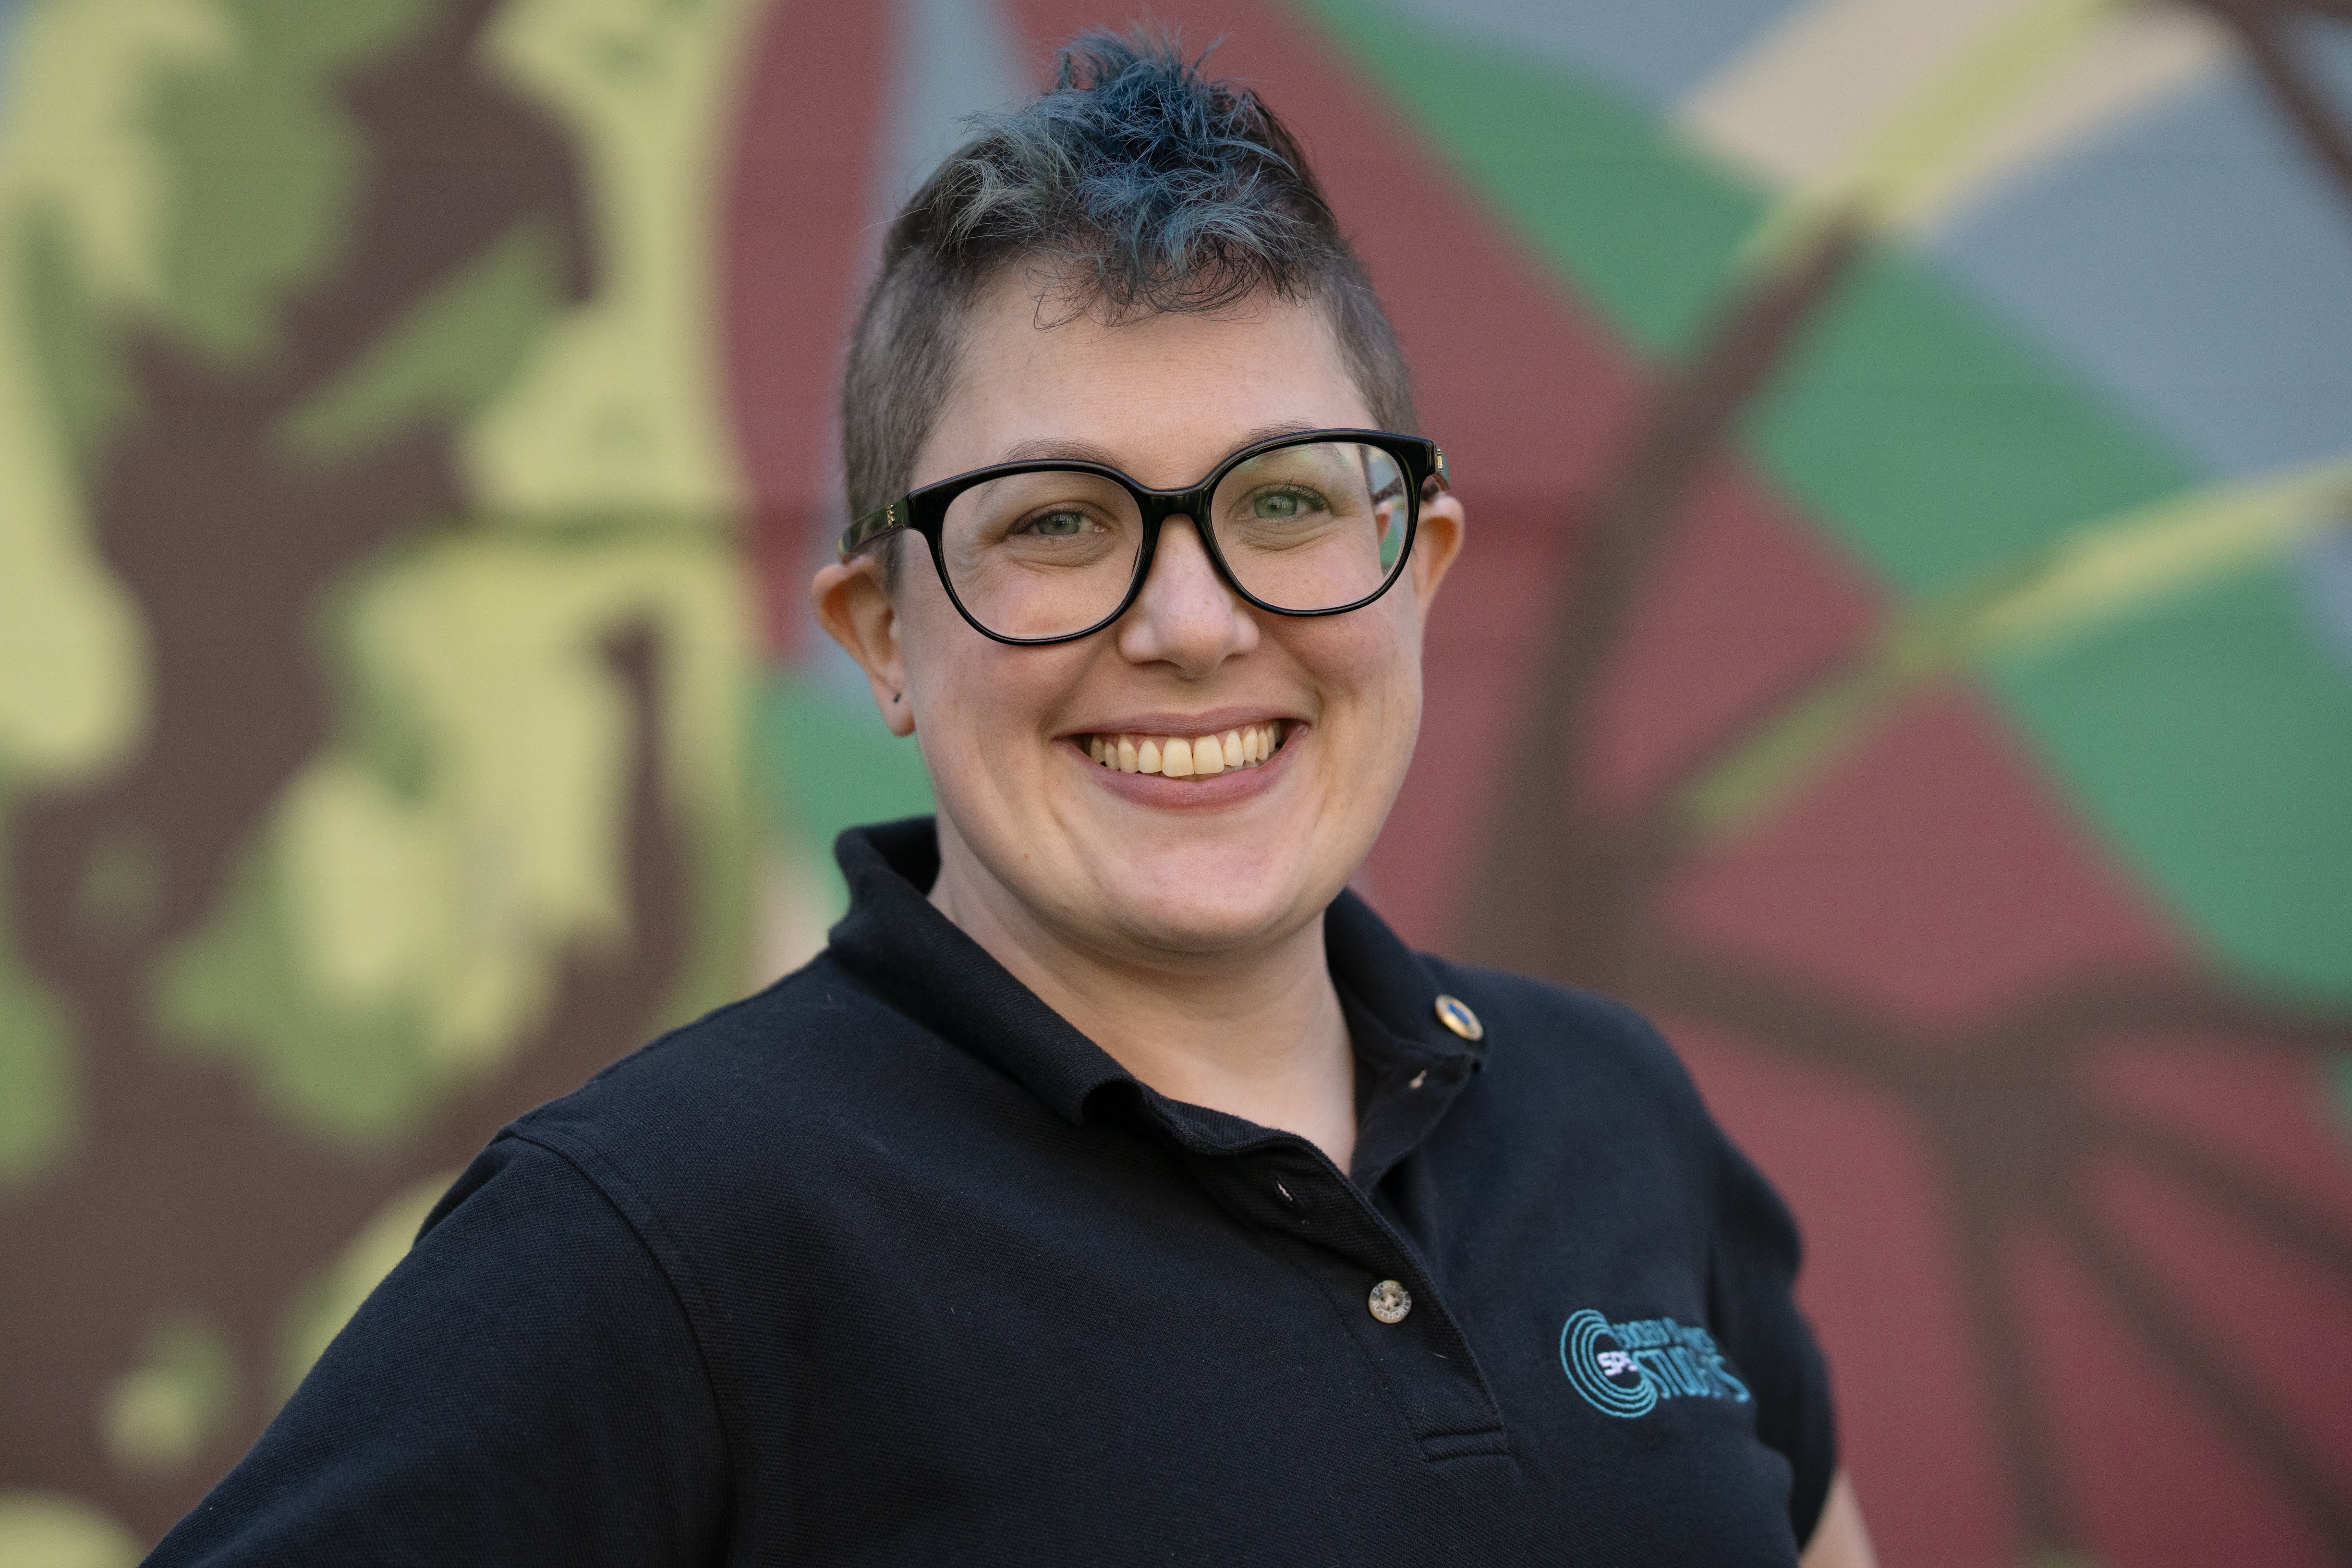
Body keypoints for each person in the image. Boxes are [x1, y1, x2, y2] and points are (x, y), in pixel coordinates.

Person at [150, 30, 1875, 1567]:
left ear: (1410, 569)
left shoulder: (1609, 1108)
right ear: (880, 637)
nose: (1194, 625)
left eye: (1282, 502)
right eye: (1055, 521)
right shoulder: (663, 1234)